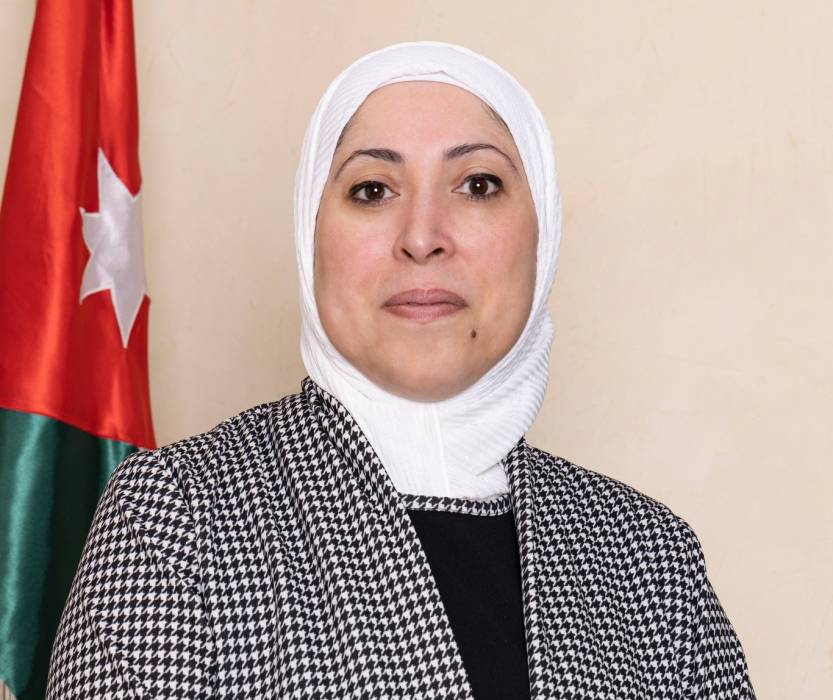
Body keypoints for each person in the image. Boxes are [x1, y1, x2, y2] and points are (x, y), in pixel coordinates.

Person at [46, 41, 755, 698]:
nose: (421, 237)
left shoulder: (649, 558)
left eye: (478, 185)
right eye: (371, 190)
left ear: (542, 233)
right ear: (310, 232)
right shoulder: (175, 521)